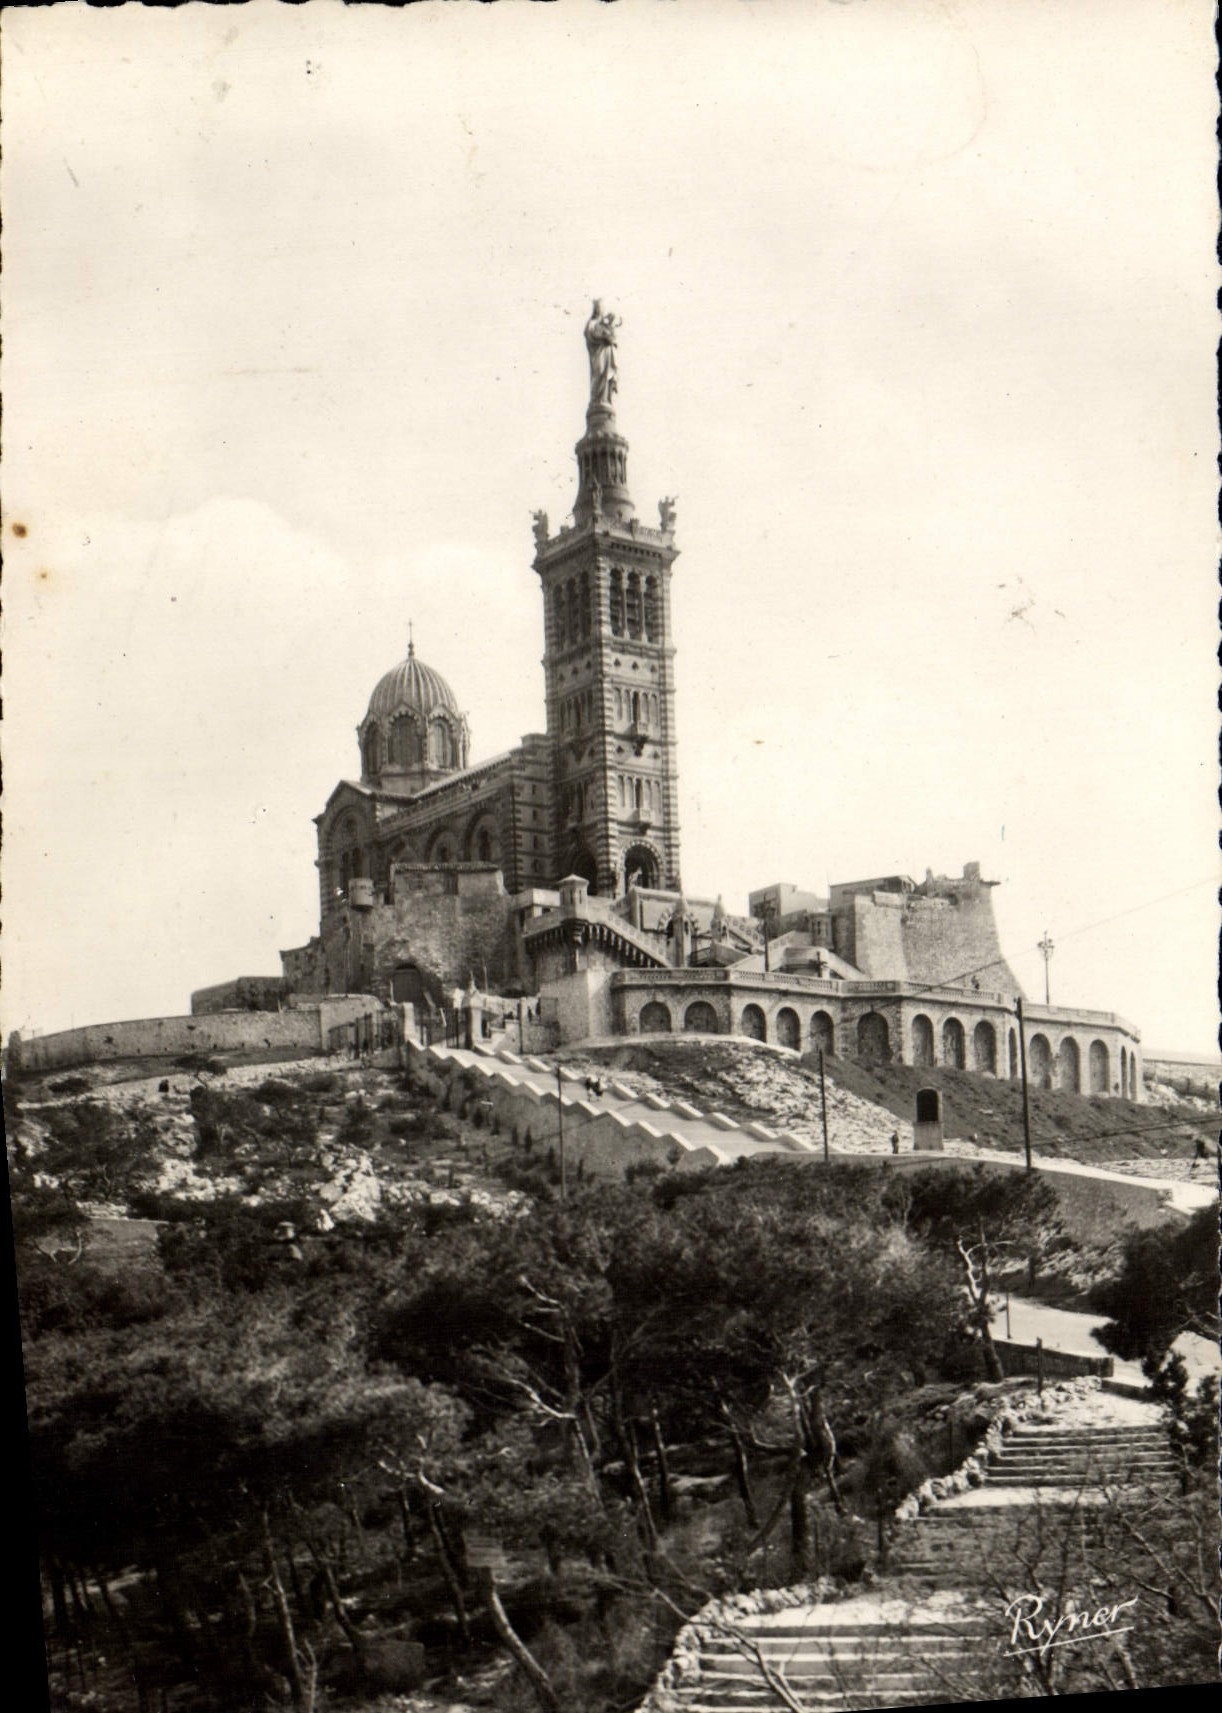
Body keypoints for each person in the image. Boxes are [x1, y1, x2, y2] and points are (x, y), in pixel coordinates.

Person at [584, 299, 621, 407]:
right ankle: (597, 400)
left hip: (607, 354)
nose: (601, 310)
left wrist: (609, 335)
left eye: (602, 308)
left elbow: (613, 337)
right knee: (599, 373)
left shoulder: (604, 324)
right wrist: (603, 336)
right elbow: (589, 333)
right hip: (598, 354)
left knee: (607, 376)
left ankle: (606, 399)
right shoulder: (592, 323)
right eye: (599, 308)